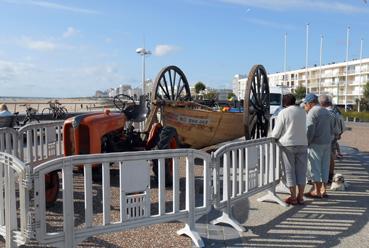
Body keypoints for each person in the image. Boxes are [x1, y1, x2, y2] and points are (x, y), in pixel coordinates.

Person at [272, 94, 308, 205]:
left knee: (289, 171)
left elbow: (276, 132)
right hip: (302, 143)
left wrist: (273, 137)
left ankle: (293, 197)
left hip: (288, 145)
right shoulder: (302, 112)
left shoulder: (283, 112)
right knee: (301, 171)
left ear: (284, 103)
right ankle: (300, 196)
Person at [304, 93, 334, 198]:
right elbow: (332, 128)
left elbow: (310, 129)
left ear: (310, 103)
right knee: (325, 167)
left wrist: (307, 142)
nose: (305, 106)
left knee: (314, 167)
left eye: (305, 104)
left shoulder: (312, 112)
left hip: (316, 143)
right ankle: (324, 190)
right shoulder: (326, 111)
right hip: (327, 142)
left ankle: (316, 191)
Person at [319, 95, 341, 183]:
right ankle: (330, 175)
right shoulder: (335, 111)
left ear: (321, 103)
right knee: (331, 155)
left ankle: (325, 176)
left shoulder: (324, 112)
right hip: (333, 136)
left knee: (326, 157)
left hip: (326, 137)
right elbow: (337, 126)